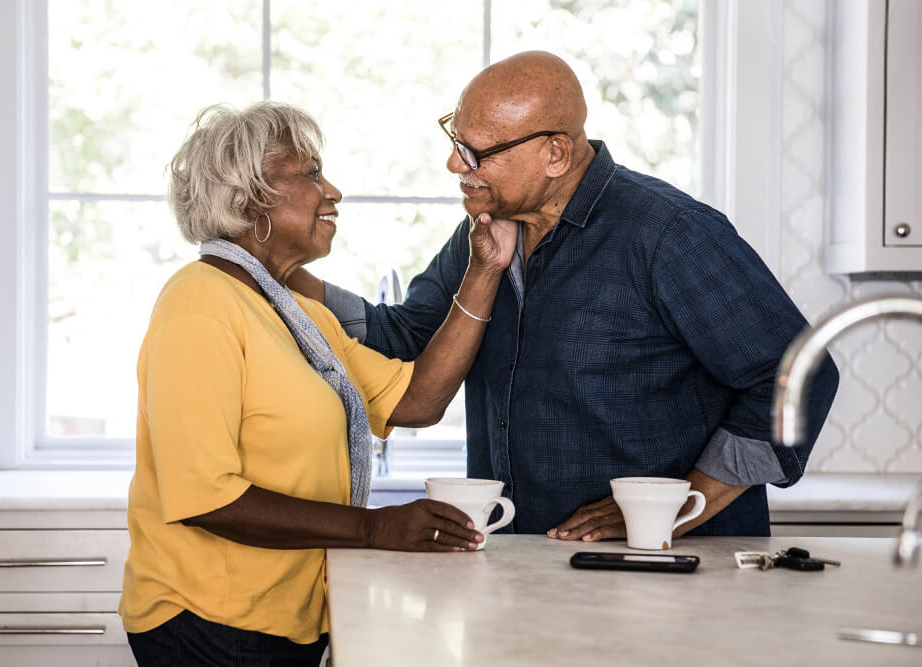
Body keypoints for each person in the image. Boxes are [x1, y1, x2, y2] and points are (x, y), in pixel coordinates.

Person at [288, 51, 840, 541]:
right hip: (524, 564)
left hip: (661, 572)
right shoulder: (485, 229)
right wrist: (275, 273)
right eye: (455, 142)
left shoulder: (668, 233)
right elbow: (407, 336)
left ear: (555, 153)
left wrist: (677, 506)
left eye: (476, 151)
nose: (456, 165)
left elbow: (800, 374)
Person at [119, 101, 516, 666]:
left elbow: (418, 399)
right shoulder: (198, 303)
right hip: (210, 621)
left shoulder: (298, 314)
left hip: (285, 619)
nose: (331, 191)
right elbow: (207, 498)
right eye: (309, 174)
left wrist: (484, 271)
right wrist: (375, 527)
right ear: (250, 198)